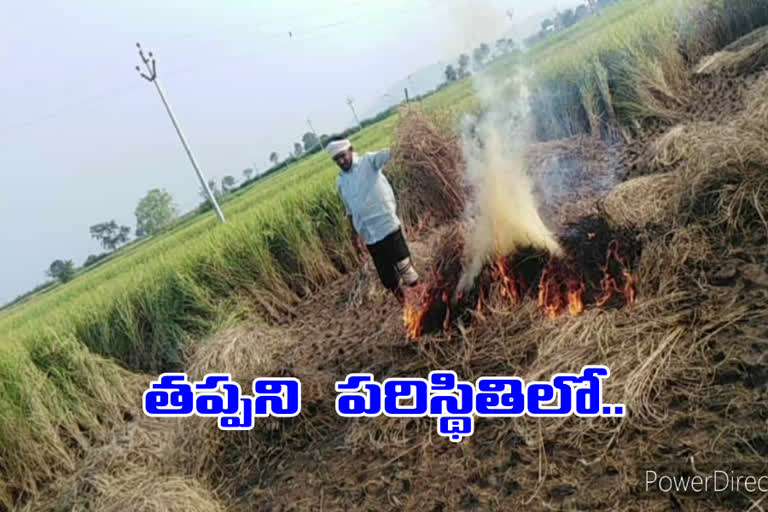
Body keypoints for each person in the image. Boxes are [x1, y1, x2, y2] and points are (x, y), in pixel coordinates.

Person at [328, 139, 419, 304]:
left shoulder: (368, 161)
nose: (341, 161)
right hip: (369, 236)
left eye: (343, 156)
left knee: (406, 269)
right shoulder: (341, 182)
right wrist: (354, 235)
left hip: (387, 226)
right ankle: (407, 308)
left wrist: (409, 143)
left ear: (351, 150)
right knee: (388, 279)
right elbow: (350, 210)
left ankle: (422, 301)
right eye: (337, 160)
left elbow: (391, 153)